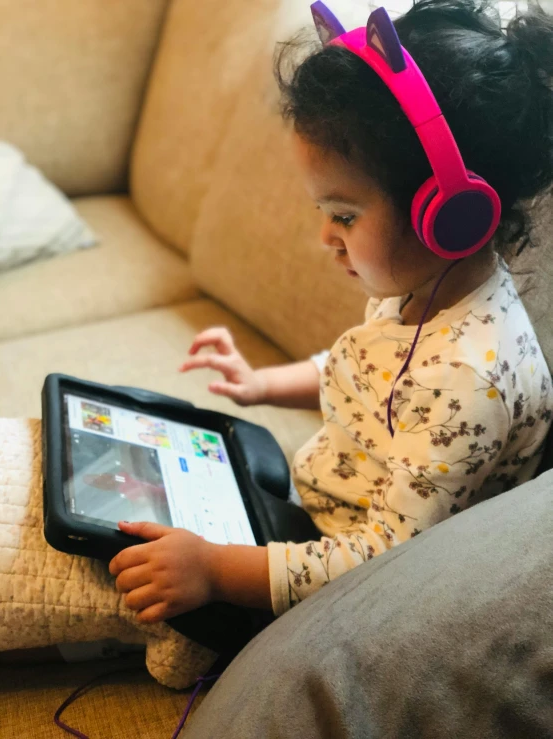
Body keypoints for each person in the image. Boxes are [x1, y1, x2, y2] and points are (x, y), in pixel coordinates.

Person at [109, 0, 553, 625]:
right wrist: (261, 384)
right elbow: (369, 373)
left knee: (136, 580)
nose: (325, 238)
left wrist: (215, 571)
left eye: (343, 216)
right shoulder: (432, 285)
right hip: (314, 509)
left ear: (449, 216)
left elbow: (384, 560)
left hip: (345, 590)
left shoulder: (465, 381)